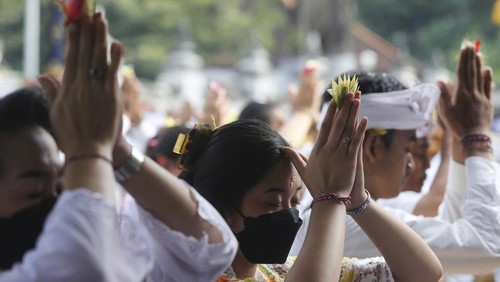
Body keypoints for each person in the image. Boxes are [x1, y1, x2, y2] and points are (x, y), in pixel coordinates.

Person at [1, 13, 237, 281]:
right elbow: (87, 266)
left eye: (62, 186)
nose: (60, 204)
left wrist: (116, 148)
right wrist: (88, 150)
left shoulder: (121, 254)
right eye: (34, 192)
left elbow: (212, 247)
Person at [177, 92, 442, 280]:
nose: (290, 214)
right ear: (225, 212)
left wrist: (357, 200)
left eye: (295, 201)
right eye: (272, 202)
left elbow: (423, 273)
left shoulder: (279, 273)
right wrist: (330, 199)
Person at [291, 43, 500, 276]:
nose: (412, 163)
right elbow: (484, 247)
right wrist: (476, 139)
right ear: (373, 147)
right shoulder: (348, 219)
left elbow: (454, 234)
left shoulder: (361, 207)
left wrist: (461, 140)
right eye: (409, 147)